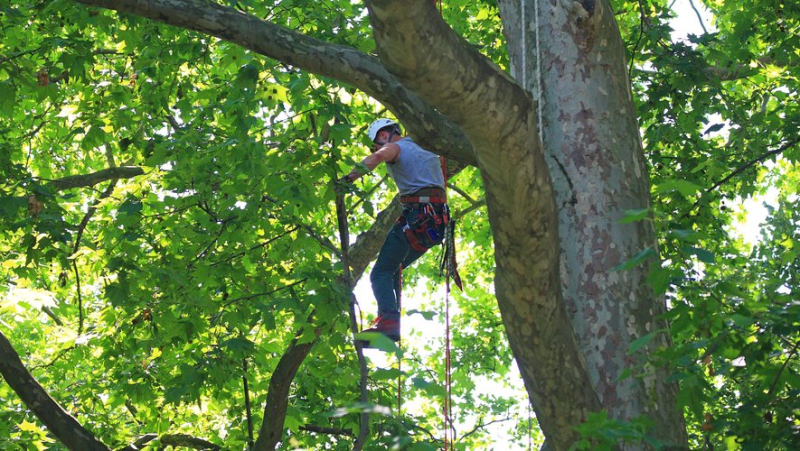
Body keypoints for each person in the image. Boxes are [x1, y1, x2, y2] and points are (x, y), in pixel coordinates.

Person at [340, 118, 448, 345]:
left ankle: (388, 323)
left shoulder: (395, 147)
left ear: (385, 134)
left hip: (418, 216)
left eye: (377, 142)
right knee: (390, 273)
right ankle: (389, 324)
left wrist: (349, 178)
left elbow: (379, 157)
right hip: (434, 224)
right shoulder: (427, 148)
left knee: (380, 273)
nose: (377, 148)